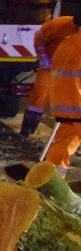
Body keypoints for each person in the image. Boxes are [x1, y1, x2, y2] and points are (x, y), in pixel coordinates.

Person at [20, 14, 81, 137]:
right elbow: (39, 39)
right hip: (50, 67)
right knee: (39, 96)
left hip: (73, 70)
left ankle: (70, 136)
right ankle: (27, 130)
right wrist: (43, 57)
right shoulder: (58, 25)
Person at [44, 28, 81, 172]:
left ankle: (51, 178)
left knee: (65, 141)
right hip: (77, 101)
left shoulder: (66, 43)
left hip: (62, 103)